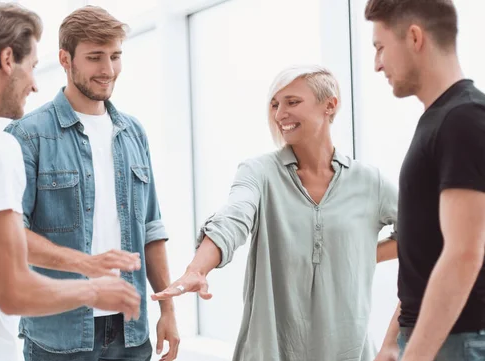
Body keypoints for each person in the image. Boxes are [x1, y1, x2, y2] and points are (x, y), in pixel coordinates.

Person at [0, 3, 141, 361]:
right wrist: (93, 292)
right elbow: (13, 290)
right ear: (6, 60)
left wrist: (83, 264)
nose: (34, 85)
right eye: (32, 66)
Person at [152, 65, 398, 361]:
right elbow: (234, 217)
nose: (280, 114)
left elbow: (424, 234)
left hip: (349, 352)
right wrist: (197, 269)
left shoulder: (369, 182)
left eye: (292, 102)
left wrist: (356, 253)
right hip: (269, 351)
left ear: (330, 105)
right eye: (275, 104)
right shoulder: (259, 172)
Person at [4, 6, 178, 361]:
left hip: (130, 331)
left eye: (115, 56)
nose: (108, 70)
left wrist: (169, 310)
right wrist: (85, 265)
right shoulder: (27, 136)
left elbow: (150, 229)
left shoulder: (134, 133)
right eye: (95, 57)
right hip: (58, 335)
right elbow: (11, 236)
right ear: (65, 59)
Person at [365, 0, 485, 360]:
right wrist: (393, 340)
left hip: (466, 342)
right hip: (440, 340)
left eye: (380, 47)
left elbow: (461, 256)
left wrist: (416, 354)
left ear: (414, 37)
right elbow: (427, 254)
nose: (376, 64)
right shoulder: (440, 118)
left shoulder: (466, 119)